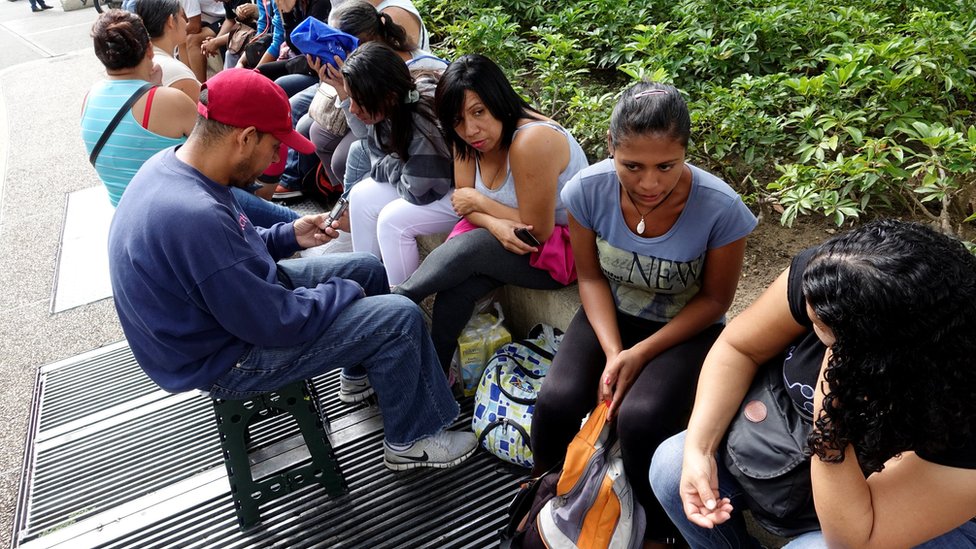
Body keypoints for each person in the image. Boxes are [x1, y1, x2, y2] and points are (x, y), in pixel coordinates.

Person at [108, 67, 478, 471]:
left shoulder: (178, 167)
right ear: (245, 137)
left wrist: (288, 236)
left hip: (221, 319)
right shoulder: (195, 216)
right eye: (274, 146)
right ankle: (412, 439)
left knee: (368, 269)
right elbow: (275, 321)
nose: (275, 159)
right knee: (398, 316)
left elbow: (230, 258)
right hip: (226, 357)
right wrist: (344, 295)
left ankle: (360, 377)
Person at [649, 219, 976, 548]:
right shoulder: (836, 275)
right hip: (785, 447)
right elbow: (738, 348)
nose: (806, 316)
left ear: (878, 351)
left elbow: (854, 540)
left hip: (892, 508)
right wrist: (699, 451)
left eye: (820, 324)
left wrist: (829, 419)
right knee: (673, 464)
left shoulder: (961, 401)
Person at [529, 81, 758, 547]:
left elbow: (716, 301)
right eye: (632, 166)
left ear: (685, 153)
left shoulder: (722, 210)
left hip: (687, 329)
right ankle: (547, 494)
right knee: (557, 400)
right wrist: (616, 351)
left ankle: (655, 527)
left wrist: (642, 353)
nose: (649, 183)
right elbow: (590, 279)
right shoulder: (586, 192)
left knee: (641, 417)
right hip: (612, 317)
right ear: (610, 147)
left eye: (666, 166)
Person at [394, 53, 588, 373]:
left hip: (560, 249)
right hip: (505, 239)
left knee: (470, 249)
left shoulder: (531, 140)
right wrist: (494, 224)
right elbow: (462, 204)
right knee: (457, 288)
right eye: (458, 120)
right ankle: (434, 376)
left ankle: (394, 303)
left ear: (498, 100)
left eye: (479, 112)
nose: (471, 129)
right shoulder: (467, 138)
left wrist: (482, 206)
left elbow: (535, 230)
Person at [338, 41, 455, 286]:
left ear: (389, 98)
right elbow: (378, 162)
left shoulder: (420, 118)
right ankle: (366, 285)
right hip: (423, 178)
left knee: (393, 220)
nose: (353, 108)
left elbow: (420, 190)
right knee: (360, 194)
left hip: (462, 188)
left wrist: (395, 164)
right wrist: (399, 164)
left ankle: (400, 302)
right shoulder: (391, 106)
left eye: (359, 101)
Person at [305, 0, 447, 194]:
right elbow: (371, 127)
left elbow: (372, 133)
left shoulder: (411, 75)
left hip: (421, 161)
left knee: (348, 156)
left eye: (340, 45)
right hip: (397, 140)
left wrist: (384, 166)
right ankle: (345, 205)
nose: (335, 50)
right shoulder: (370, 69)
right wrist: (342, 86)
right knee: (317, 134)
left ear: (363, 44)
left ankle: (355, 203)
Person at [81, 9, 196, 207]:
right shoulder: (170, 100)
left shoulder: (89, 97)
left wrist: (154, 88)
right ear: (150, 49)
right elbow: (215, 153)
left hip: (124, 216)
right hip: (178, 215)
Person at [136, 0, 201, 100]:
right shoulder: (174, 71)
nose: (185, 22)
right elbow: (209, 108)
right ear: (170, 21)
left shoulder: (142, 59)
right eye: (182, 16)